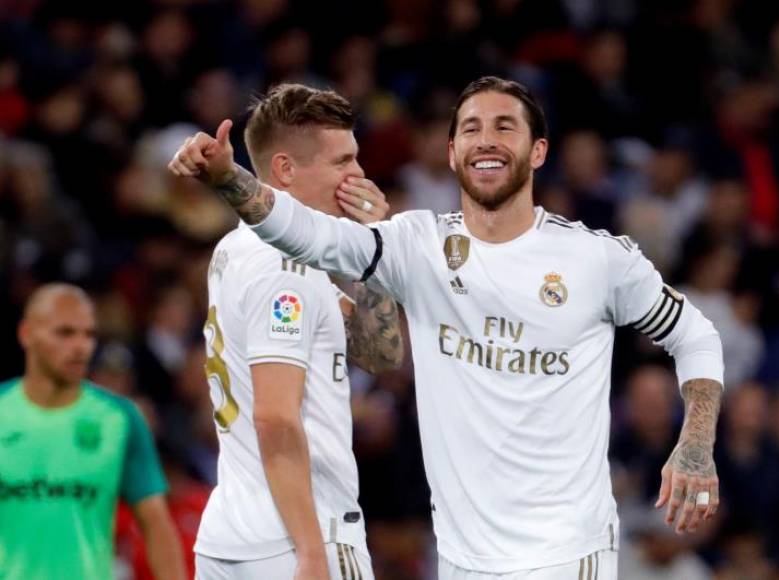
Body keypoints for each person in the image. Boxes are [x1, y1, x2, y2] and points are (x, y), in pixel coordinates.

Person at [170, 76, 724, 579]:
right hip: (457, 559)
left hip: (563, 553)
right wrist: (227, 177)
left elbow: (694, 334)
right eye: (471, 128)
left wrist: (695, 445)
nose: (486, 139)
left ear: (538, 151)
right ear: (451, 151)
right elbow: (303, 233)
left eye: (504, 126)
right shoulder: (415, 245)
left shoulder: (597, 260)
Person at [188, 84, 403, 580]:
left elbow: (379, 354)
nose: (359, 175)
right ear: (285, 169)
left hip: (235, 535)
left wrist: (373, 246)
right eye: (342, 161)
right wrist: (310, 552)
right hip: (300, 535)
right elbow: (275, 417)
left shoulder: (240, 249)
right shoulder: (284, 267)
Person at [0, 283, 186, 580]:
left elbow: (157, 526)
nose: (81, 346)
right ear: (26, 334)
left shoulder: (120, 419)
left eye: (89, 334)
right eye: (65, 333)